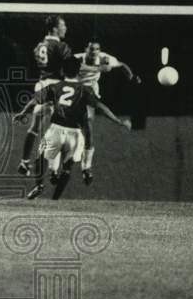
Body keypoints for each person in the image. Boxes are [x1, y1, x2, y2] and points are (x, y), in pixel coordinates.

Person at [14, 56, 132, 200]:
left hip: (55, 130)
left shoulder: (55, 87)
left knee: (40, 158)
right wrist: (118, 121)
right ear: (79, 72)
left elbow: (35, 100)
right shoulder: (85, 89)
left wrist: (22, 113)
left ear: (63, 71)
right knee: (68, 167)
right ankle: (56, 199)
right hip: (75, 134)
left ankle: (39, 185)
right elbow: (100, 106)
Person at [75, 38, 139, 185]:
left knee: (88, 130)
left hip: (90, 94)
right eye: (91, 49)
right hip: (73, 92)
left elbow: (121, 64)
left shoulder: (105, 58)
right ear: (86, 49)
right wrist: (98, 69)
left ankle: (86, 168)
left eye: (96, 49)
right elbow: (66, 68)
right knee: (77, 130)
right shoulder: (76, 58)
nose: (94, 52)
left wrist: (130, 76)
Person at [17, 15, 71, 178]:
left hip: (41, 84)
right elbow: (70, 68)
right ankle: (54, 171)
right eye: (63, 25)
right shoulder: (61, 46)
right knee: (63, 130)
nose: (65, 28)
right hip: (56, 88)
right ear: (55, 28)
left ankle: (24, 162)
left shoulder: (39, 46)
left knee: (34, 127)